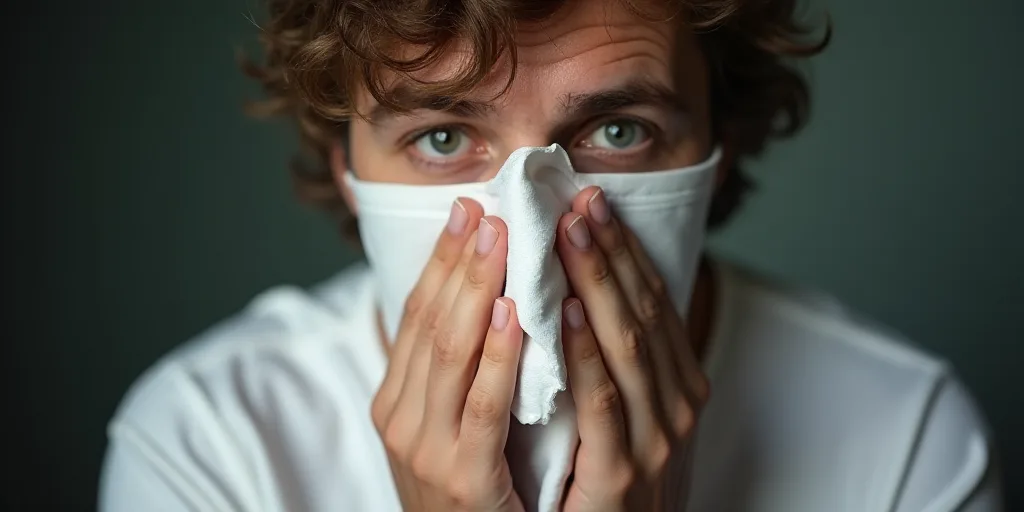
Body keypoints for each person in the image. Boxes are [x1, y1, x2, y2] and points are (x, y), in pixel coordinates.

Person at [98, 0, 1002, 510]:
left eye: (617, 130)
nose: (533, 248)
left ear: (721, 143)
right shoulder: (210, 444)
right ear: (343, 161)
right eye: (445, 138)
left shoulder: (905, 442)